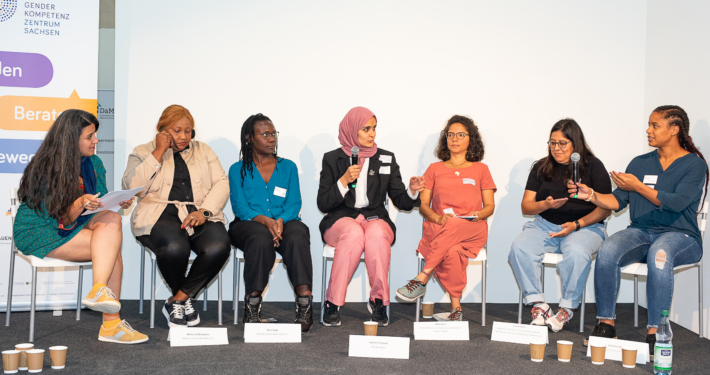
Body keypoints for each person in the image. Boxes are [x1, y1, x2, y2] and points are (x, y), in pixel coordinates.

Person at [571, 105, 708, 349]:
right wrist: (590, 195)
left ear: (674, 129)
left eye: (655, 125)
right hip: (642, 231)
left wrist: (639, 187)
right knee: (608, 249)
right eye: (649, 124)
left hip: (681, 235)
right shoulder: (640, 163)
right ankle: (606, 325)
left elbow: (677, 204)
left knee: (660, 255)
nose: (648, 130)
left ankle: (657, 332)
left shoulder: (694, 165)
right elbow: (617, 201)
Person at [13, 110, 147, 344]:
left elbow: (100, 202)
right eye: (89, 136)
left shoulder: (94, 163)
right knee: (112, 250)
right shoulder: (45, 167)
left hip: (79, 222)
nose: (96, 141)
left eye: (95, 135)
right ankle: (111, 324)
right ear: (70, 139)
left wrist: (116, 202)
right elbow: (59, 218)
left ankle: (98, 290)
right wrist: (79, 202)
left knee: (113, 220)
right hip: (41, 229)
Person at [122, 105, 231, 328]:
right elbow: (133, 187)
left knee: (218, 246)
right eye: (176, 130)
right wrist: (158, 153)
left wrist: (205, 211)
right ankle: (184, 299)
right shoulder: (143, 151)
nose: (183, 136)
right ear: (162, 131)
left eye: (188, 131)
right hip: (158, 214)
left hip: (199, 212)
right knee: (174, 248)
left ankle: (178, 300)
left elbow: (221, 182)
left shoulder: (204, 151)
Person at [318, 106, 424, 327]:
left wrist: (413, 191)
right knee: (353, 234)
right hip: (341, 219)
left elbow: (401, 200)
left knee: (376, 235)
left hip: (375, 217)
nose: (372, 134)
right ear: (352, 129)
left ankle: (378, 301)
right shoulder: (332, 159)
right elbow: (324, 203)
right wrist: (343, 181)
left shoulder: (386, 158)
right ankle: (332, 302)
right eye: (366, 129)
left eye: (374, 128)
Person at [508, 119, 611, 332]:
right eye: (552, 143)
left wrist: (576, 224)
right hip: (546, 225)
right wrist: (544, 204)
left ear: (576, 144)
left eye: (562, 143)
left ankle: (567, 307)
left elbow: (606, 208)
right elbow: (526, 207)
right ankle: (539, 305)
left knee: (576, 252)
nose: (556, 148)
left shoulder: (594, 166)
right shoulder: (541, 166)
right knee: (519, 249)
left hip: (585, 227)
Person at [396, 115, 496, 321]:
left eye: (461, 134)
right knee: (452, 251)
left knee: (454, 226)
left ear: (471, 139)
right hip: (440, 227)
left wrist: (479, 214)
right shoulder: (434, 169)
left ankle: (422, 277)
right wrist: (438, 218)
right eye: (450, 134)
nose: (454, 139)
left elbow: (490, 206)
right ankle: (456, 309)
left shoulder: (481, 169)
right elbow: (424, 206)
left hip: (472, 227)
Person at [228, 114, 314, 332]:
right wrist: (265, 220)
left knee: (297, 235)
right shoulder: (237, 170)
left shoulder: (288, 167)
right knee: (259, 237)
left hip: (286, 221)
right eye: (265, 134)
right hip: (248, 224)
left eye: (273, 133)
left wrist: (280, 221)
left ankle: (304, 304)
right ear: (249, 138)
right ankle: (253, 307)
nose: (271, 138)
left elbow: (294, 203)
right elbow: (240, 207)